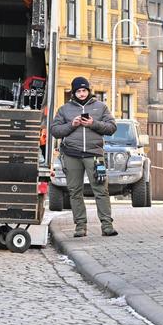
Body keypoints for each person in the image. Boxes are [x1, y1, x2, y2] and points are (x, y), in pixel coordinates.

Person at [50, 77, 117, 238]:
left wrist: (93, 123)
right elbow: (55, 130)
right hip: (72, 154)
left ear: (88, 91)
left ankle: (107, 225)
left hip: (94, 155)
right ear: (73, 93)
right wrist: (71, 125)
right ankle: (80, 226)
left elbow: (112, 127)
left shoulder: (101, 107)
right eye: (78, 91)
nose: (81, 93)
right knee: (75, 191)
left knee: (101, 190)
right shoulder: (65, 109)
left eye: (84, 90)